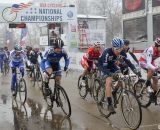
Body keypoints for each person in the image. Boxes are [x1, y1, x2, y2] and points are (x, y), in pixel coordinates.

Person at [98, 38, 124, 113]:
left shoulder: (119, 52)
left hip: (112, 65)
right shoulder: (107, 52)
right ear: (113, 47)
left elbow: (127, 61)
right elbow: (104, 67)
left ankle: (114, 91)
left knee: (121, 77)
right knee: (109, 82)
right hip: (103, 66)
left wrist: (134, 70)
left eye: (120, 49)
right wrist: (111, 74)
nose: (119, 51)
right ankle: (109, 104)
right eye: (117, 49)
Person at [139, 37, 160, 102]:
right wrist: (155, 68)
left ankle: (154, 96)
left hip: (151, 62)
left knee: (155, 79)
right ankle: (148, 85)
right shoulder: (151, 50)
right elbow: (148, 64)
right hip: (143, 62)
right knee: (152, 69)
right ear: (157, 46)